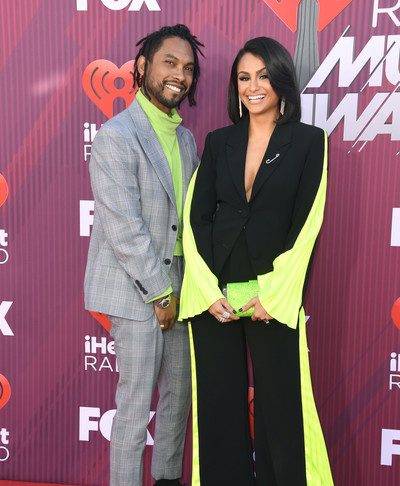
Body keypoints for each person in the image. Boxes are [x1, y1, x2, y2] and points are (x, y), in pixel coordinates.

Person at [179, 37, 333, 485]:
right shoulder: (219, 141)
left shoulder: (309, 142)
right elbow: (195, 218)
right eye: (244, 78)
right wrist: (206, 292)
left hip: (272, 295)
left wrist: (274, 295)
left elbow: (306, 224)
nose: (253, 87)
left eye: (263, 76)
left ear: (281, 78)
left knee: (282, 411)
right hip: (216, 296)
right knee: (217, 409)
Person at [84, 24, 203, 486]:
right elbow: (124, 228)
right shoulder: (116, 136)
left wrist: (185, 289)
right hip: (139, 291)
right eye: (169, 62)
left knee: (178, 398)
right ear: (142, 66)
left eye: (187, 68)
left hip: (181, 287)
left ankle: (167, 480)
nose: (179, 75)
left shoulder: (186, 140)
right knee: (135, 407)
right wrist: (159, 292)